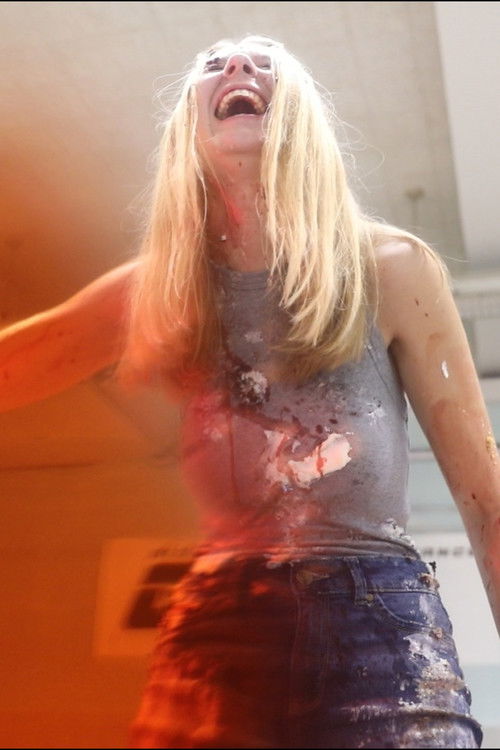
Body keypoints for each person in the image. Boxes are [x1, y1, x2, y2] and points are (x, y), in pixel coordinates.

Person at [1, 33, 498, 749]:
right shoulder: (162, 289)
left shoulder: (391, 269)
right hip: (219, 637)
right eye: (216, 62)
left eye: (265, 61)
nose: (238, 65)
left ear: (301, 117)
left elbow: (487, 503)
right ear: (189, 130)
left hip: (380, 630)